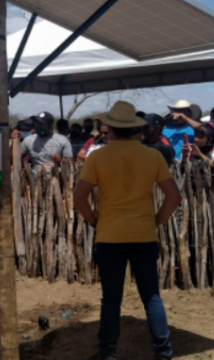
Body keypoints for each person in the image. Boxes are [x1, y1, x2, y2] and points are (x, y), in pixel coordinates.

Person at [73, 100, 180, 360]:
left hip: (110, 236)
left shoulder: (98, 156)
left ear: (109, 128)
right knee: (152, 297)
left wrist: (94, 221)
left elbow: (79, 198)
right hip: (143, 234)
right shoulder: (152, 155)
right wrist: (154, 221)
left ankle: (108, 353)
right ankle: (163, 353)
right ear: (134, 128)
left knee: (111, 299)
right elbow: (173, 197)